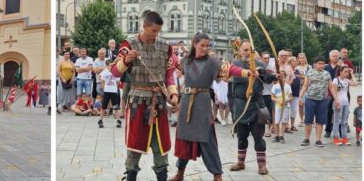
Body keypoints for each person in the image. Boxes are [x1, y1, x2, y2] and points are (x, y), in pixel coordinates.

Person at [171, 33, 252, 181]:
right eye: (202, 45)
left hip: (202, 103)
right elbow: (168, 67)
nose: (205, 48)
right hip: (186, 102)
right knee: (184, 140)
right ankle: (180, 173)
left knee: (208, 141)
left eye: (207, 46)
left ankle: (217, 175)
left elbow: (229, 69)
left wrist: (245, 72)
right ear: (194, 44)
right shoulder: (185, 61)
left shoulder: (212, 62)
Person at [109, 11, 179, 181]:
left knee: (161, 147)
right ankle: (131, 175)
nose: (156, 35)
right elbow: (115, 72)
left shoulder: (165, 46)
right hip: (137, 102)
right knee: (134, 145)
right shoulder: (128, 44)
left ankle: (162, 176)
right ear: (144, 26)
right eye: (153, 31)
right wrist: (126, 60)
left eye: (158, 31)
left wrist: (174, 95)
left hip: (160, 103)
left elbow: (169, 75)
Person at [229, 40, 277, 175]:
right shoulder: (236, 64)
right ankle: (240, 162)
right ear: (240, 51)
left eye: (250, 50)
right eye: (245, 50)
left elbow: (267, 77)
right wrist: (250, 73)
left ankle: (262, 165)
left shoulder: (260, 64)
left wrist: (276, 76)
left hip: (257, 104)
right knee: (242, 136)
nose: (247, 53)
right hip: (241, 104)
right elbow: (237, 76)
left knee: (258, 136)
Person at [299, 56, 338, 147]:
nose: (321, 65)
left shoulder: (327, 74)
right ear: (315, 64)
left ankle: (318, 140)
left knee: (320, 120)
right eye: (319, 64)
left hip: (323, 100)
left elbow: (331, 87)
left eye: (323, 64)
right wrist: (300, 97)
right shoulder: (310, 72)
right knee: (308, 120)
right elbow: (305, 86)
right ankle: (307, 139)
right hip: (310, 99)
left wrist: (336, 99)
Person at [331, 65, 357, 145]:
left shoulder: (346, 80)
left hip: (346, 103)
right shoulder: (336, 80)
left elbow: (355, 83)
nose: (347, 73)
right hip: (338, 103)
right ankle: (336, 138)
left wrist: (352, 74)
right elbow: (334, 91)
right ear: (340, 72)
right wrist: (336, 101)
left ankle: (344, 138)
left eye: (347, 72)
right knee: (336, 121)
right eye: (345, 72)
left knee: (344, 122)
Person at [97, 59, 122, 128]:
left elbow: (118, 82)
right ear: (107, 65)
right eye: (111, 65)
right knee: (103, 106)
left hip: (114, 91)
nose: (112, 66)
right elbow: (101, 80)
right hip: (107, 91)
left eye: (113, 65)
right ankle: (100, 120)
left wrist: (115, 88)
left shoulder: (115, 72)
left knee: (116, 107)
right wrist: (104, 87)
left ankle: (119, 120)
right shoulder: (105, 72)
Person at [324, 50, 342, 138]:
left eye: (336, 56)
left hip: (340, 93)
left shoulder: (341, 67)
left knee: (340, 112)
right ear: (330, 57)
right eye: (333, 56)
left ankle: (340, 129)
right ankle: (328, 130)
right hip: (329, 94)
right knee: (329, 112)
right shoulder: (326, 67)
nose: (335, 57)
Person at [271, 71, 292, 143]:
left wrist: (286, 100)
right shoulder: (275, 86)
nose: (282, 78)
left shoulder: (288, 86)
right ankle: (276, 135)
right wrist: (278, 100)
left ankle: (282, 136)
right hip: (278, 106)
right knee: (277, 121)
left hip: (286, 107)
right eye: (280, 76)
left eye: (283, 77)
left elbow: (291, 97)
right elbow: (272, 97)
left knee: (284, 121)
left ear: (285, 77)